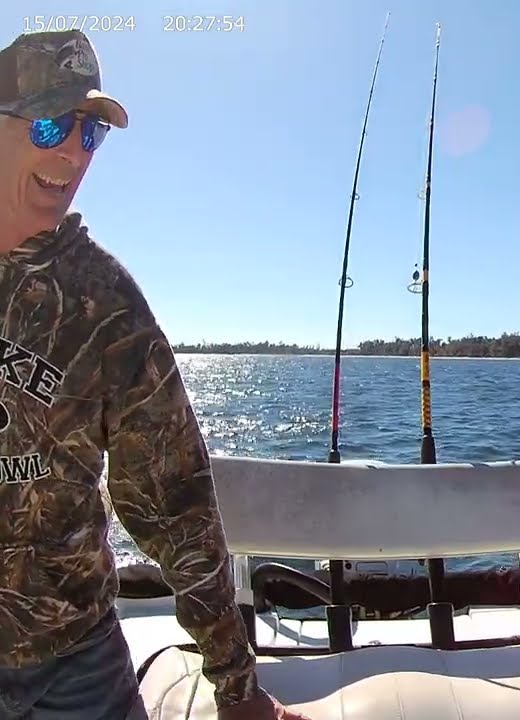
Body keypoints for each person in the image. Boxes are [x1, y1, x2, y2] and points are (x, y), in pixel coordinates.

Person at [0, 30, 305, 720]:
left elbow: (174, 502)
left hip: (74, 671)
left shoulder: (105, 305)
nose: (74, 152)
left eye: (90, 133)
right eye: (52, 123)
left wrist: (238, 685)